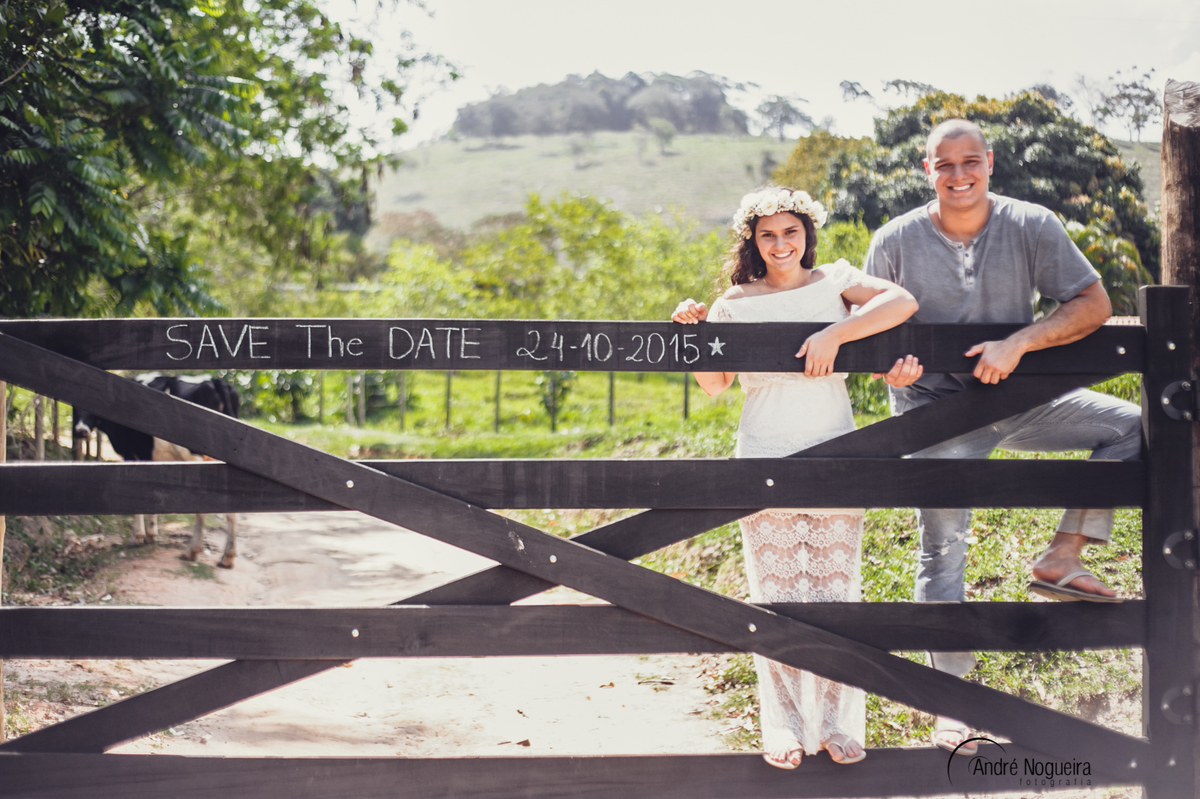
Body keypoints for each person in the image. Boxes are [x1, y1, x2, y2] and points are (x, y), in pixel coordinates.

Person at [863, 119, 1142, 755]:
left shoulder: (1032, 224)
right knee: (943, 549)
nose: (958, 176)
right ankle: (952, 709)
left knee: (1135, 425)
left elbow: (1092, 304)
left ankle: (1063, 555)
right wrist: (890, 362)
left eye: (970, 163)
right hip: (933, 408)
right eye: (944, 165)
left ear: (991, 163)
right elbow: (869, 332)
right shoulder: (894, 240)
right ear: (924, 169)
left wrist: (1019, 341)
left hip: (1023, 399)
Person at [673, 187, 918, 770]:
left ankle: (835, 723)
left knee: (835, 589)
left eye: (791, 232)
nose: (781, 245)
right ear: (752, 242)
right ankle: (782, 724)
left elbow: (902, 300)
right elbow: (715, 386)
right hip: (763, 450)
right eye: (768, 235)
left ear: (807, 234)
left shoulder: (835, 281)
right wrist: (693, 330)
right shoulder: (733, 302)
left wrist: (837, 332)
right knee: (778, 595)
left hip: (838, 445)